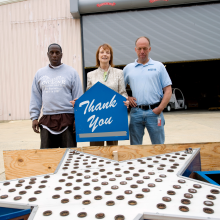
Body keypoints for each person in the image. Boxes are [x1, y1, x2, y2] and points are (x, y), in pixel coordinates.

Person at [70, 43, 129, 146]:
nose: (104, 54)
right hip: (95, 118)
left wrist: (125, 100)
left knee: (112, 148)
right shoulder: (91, 75)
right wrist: (79, 102)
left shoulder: (119, 73)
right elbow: (88, 96)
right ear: (98, 56)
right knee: (95, 148)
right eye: (102, 52)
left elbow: (122, 92)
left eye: (107, 52)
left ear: (111, 56)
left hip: (113, 116)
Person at [30, 43, 83, 148]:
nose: (54, 55)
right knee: (48, 158)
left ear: (61, 55)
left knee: (70, 156)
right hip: (47, 120)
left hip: (67, 119)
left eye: (57, 53)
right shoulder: (40, 74)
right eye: (52, 53)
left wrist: (78, 119)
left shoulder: (72, 72)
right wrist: (34, 117)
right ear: (48, 55)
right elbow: (35, 97)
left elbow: (79, 98)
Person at [123, 36, 172, 145]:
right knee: (135, 148)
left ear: (149, 49)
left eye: (145, 48)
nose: (142, 51)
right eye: (139, 49)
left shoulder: (159, 66)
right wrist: (128, 97)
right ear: (135, 49)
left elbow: (168, 90)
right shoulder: (128, 68)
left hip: (155, 112)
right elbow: (119, 88)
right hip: (136, 113)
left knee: (158, 146)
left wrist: (160, 108)